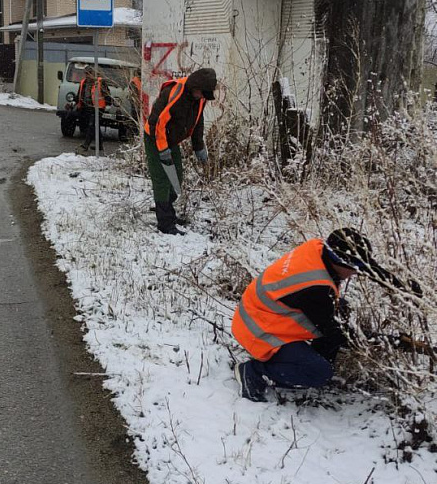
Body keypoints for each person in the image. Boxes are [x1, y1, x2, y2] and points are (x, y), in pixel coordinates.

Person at [231, 227, 422, 401]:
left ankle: (307, 360)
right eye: (353, 269)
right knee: (319, 373)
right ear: (339, 262)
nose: (356, 273)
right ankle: (254, 372)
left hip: (265, 311)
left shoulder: (320, 249)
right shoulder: (315, 289)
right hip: (257, 329)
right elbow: (341, 335)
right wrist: (396, 342)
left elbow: (365, 266)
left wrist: (399, 287)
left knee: (340, 310)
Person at [143, 67, 217, 235]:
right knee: (162, 179)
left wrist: (199, 147)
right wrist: (162, 149)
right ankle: (165, 223)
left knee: (176, 178)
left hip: (171, 140)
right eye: (202, 94)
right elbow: (157, 123)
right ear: (194, 88)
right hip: (155, 137)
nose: (202, 98)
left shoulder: (199, 98)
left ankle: (165, 209)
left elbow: (198, 121)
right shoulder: (174, 93)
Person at [76, 68, 113, 154]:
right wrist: (77, 102)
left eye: (89, 73)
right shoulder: (84, 82)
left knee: (92, 125)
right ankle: (100, 145)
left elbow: (107, 94)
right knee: (95, 126)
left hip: (98, 108)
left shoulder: (100, 82)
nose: (87, 75)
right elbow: (80, 94)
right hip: (87, 107)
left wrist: (108, 104)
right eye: (86, 73)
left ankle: (85, 145)